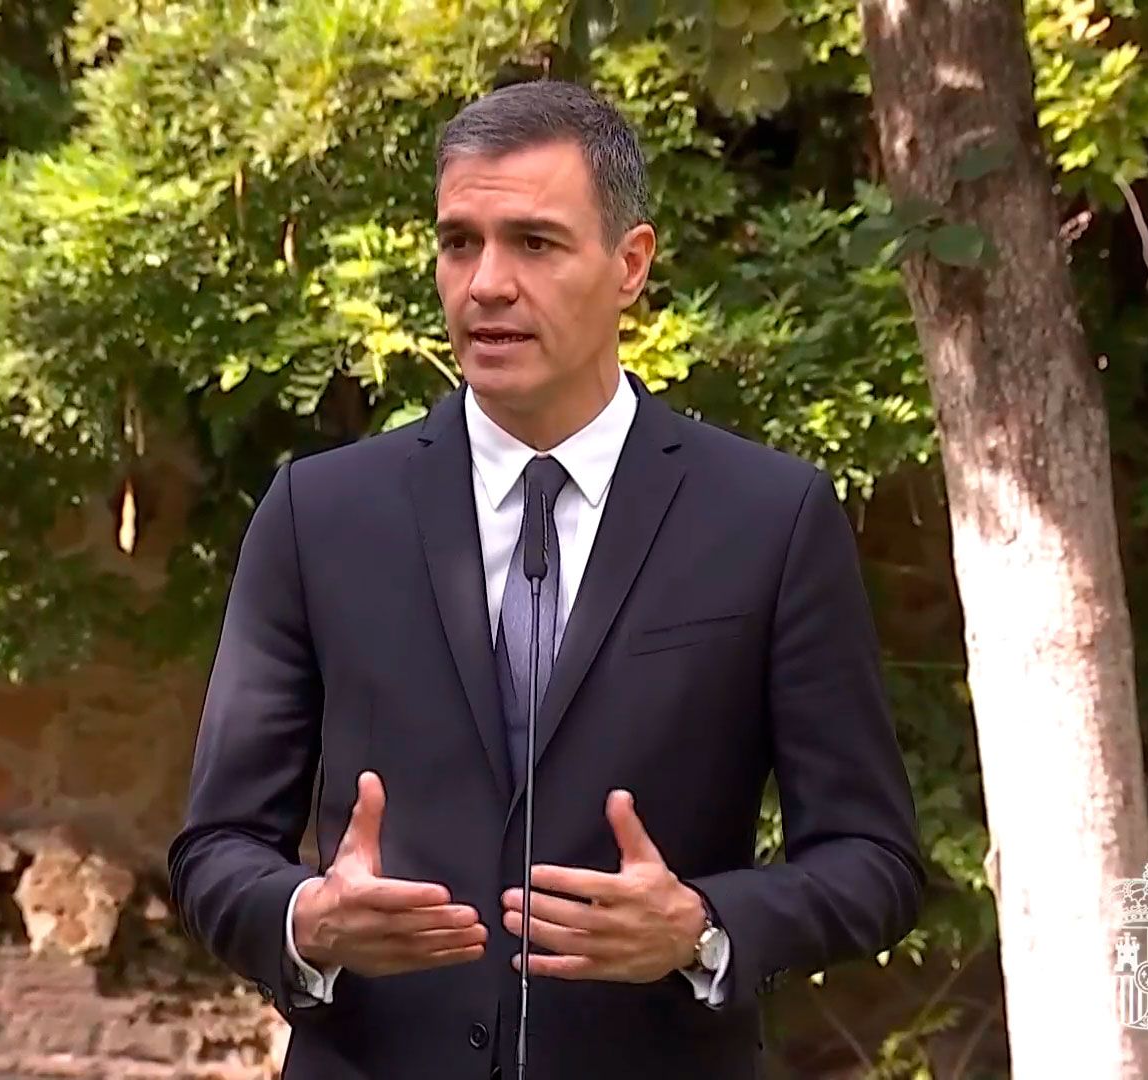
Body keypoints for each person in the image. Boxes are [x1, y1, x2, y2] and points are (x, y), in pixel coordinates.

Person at [167, 79, 925, 1080]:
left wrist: (703, 927)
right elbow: (215, 848)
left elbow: (875, 861)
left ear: (631, 265)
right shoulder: (321, 514)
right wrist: (307, 917)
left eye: (533, 242)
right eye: (458, 242)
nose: (485, 283)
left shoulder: (768, 519)